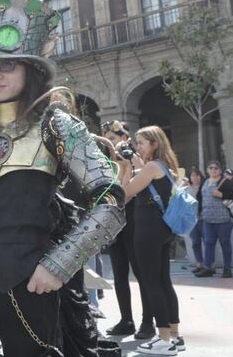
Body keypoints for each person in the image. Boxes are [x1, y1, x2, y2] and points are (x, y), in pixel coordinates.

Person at [0, 0, 125, 357]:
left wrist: (59, 265)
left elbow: (110, 201)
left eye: (8, 65)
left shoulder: (57, 124)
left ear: (29, 69)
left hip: (27, 280)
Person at [119, 126, 183, 355]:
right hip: (162, 230)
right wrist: (135, 167)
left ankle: (163, 339)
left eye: (141, 143)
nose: (137, 147)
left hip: (148, 232)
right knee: (164, 281)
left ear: (154, 144)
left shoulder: (151, 167)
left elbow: (124, 194)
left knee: (151, 283)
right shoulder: (164, 167)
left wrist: (126, 168)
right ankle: (174, 336)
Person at [100, 120, 154, 341]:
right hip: (116, 225)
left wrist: (128, 164)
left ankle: (148, 322)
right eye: (107, 140)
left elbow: (126, 194)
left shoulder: (137, 160)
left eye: (112, 140)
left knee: (142, 275)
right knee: (119, 276)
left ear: (124, 138)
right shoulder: (108, 162)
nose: (110, 145)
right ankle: (126, 320)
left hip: (135, 223)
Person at [195, 160, 233, 278]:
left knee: (225, 243)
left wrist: (222, 195)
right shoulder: (205, 182)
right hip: (207, 219)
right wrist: (200, 212)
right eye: (210, 168)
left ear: (220, 170)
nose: (213, 170)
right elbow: (200, 198)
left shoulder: (225, 182)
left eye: (216, 168)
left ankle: (227, 268)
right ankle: (208, 267)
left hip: (224, 219)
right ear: (207, 170)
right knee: (209, 243)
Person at [185, 167, 205, 270]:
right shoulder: (187, 189)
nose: (195, 178)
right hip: (192, 220)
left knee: (207, 241)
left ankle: (207, 263)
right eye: (192, 175)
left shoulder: (204, 187)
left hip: (204, 218)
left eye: (197, 175)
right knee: (195, 242)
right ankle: (199, 262)